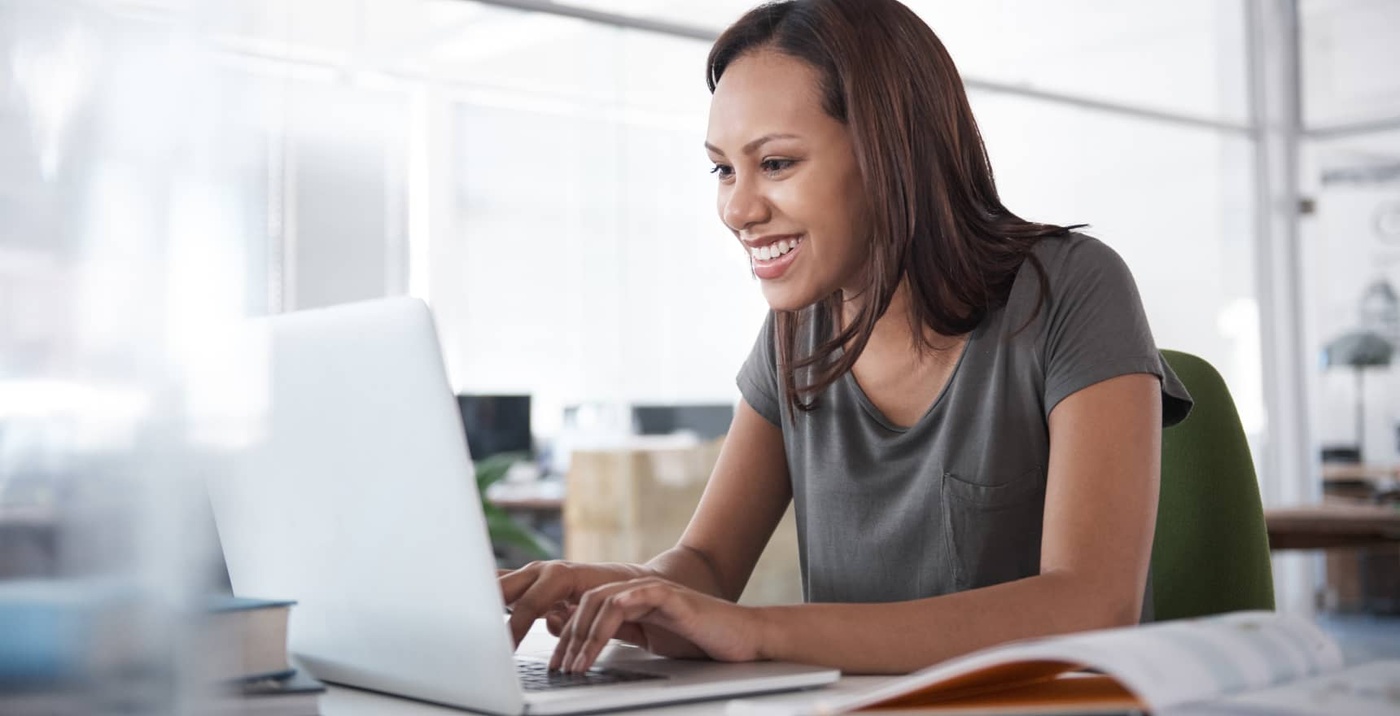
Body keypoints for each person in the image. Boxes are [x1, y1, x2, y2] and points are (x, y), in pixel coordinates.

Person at [498, 0, 1192, 675]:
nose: (737, 208)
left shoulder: (1071, 288)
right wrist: (620, 591)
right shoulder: (794, 333)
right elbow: (708, 564)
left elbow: (1092, 605)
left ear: (891, 153)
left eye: (775, 164)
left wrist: (760, 631)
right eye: (722, 169)